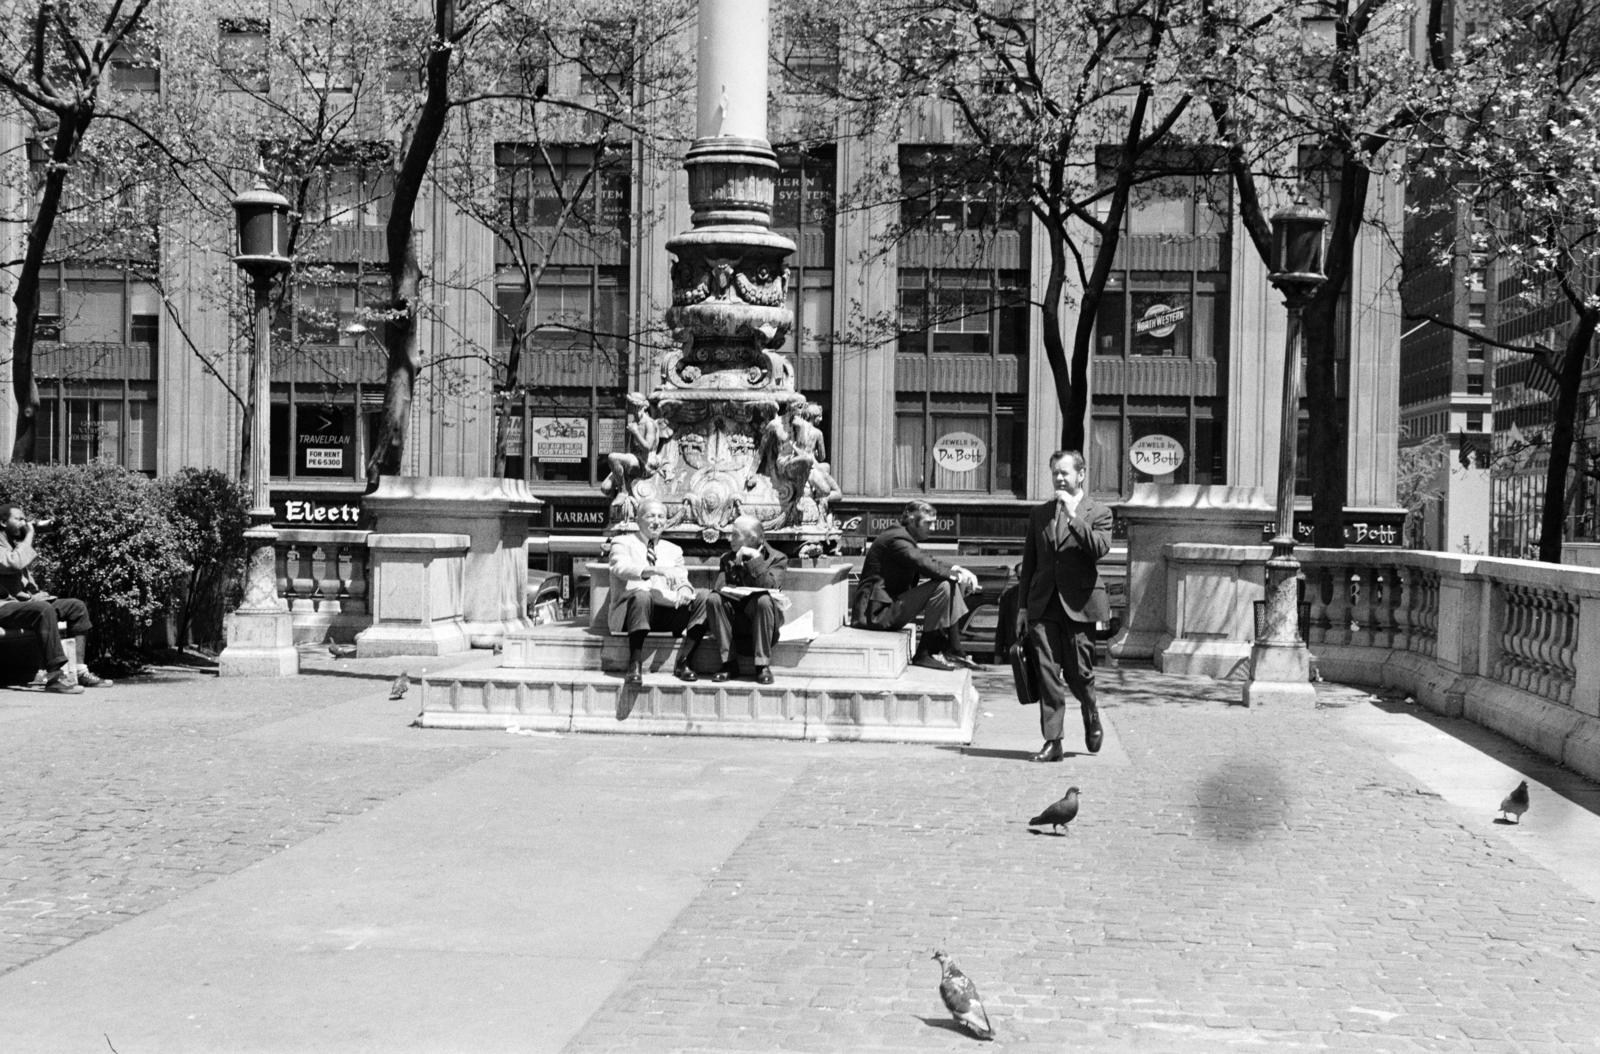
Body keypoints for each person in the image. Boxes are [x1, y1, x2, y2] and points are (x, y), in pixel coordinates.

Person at [1017, 450, 1113, 762]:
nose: (1059, 478)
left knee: (1079, 674)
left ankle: (1090, 708)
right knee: (1047, 673)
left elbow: (1099, 548)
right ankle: (1053, 741)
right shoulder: (1039, 514)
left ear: (1081, 475)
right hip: (1043, 605)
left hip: (1080, 604)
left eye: (1065, 473)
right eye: (1055, 473)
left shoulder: (1099, 512)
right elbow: (1029, 564)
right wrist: (1022, 609)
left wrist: (1073, 516)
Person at [853, 500, 980, 671]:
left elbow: (927, 559)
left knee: (948, 582)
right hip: (875, 615)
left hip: (888, 608)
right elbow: (922, 562)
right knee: (943, 584)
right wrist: (958, 576)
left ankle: (952, 648)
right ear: (912, 520)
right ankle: (926, 653)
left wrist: (958, 570)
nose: (933, 528)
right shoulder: (896, 538)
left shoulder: (901, 536)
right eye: (928, 523)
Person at [0, 505, 110, 694]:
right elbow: (13, 562)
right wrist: (29, 536)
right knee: (43, 610)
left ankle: (79, 670)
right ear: (3, 522)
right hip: (4, 606)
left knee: (76, 607)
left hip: (22, 604)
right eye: (18, 519)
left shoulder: (13, 543)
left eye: (24, 518)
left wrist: (36, 594)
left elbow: (24, 579)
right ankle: (55, 677)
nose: (24, 523)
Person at [606, 500, 710, 684]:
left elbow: (682, 579)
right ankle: (635, 664)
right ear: (638, 520)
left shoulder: (673, 549)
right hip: (632, 614)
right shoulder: (622, 542)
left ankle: (685, 661)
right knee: (642, 596)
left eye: (661, 517)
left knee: (705, 598)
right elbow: (621, 568)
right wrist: (655, 569)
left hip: (665, 613)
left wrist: (685, 588)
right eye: (651, 516)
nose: (656, 521)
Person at [703, 514, 787, 685]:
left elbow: (771, 586)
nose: (729, 539)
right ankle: (729, 663)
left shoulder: (777, 558)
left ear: (752, 538)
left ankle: (762, 666)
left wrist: (755, 559)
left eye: (735, 535)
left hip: (763, 622)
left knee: (763, 599)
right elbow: (719, 589)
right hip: (735, 621)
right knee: (713, 599)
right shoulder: (728, 558)